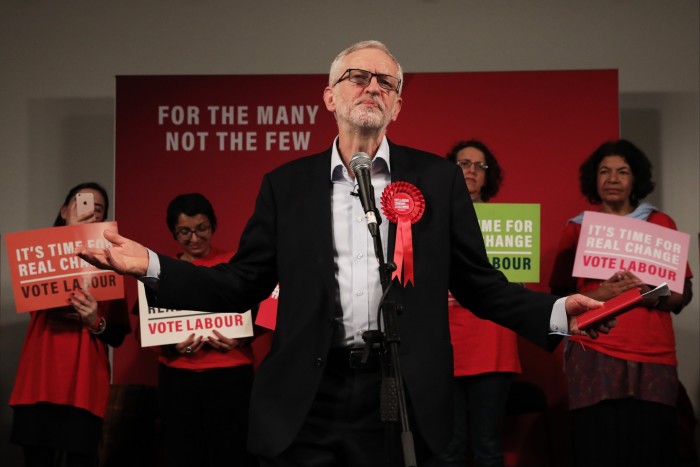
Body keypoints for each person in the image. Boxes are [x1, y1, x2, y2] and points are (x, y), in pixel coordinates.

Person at [78, 41, 613, 467]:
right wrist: (149, 265)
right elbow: (238, 284)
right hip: (308, 397)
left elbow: (478, 283)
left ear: (398, 105)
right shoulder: (285, 186)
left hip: (397, 394)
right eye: (359, 76)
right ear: (330, 96)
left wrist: (556, 311)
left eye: (387, 82)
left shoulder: (438, 179)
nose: (373, 87)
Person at [549, 139, 693, 467]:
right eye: (604, 171)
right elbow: (557, 299)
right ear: (594, 179)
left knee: (650, 446)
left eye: (622, 171)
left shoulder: (661, 223)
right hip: (595, 351)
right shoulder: (576, 228)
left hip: (653, 354)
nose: (613, 178)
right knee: (596, 445)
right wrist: (603, 293)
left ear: (635, 179)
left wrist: (646, 291)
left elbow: (682, 295)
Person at [9, 182, 130, 467]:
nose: (90, 213)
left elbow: (118, 335)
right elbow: (29, 299)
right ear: (64, 211)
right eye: (82, 205)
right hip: (37, 384)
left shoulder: (112, 265)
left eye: (97, 210)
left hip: (85, 388)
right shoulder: (36, 254)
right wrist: (69, 239)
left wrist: (95, 321)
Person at [153, 193, 258, 467]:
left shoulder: (237, 264)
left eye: (202, 229)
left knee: (232, 452)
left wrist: (241, 338)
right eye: (185, 232)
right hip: (178, 377)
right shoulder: (160, 272)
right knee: (183, 453)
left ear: (213, 226)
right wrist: (171, 344)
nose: (195, 238)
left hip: (231, 376)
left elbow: (266, 314)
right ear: (174, 233)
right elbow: (147, 327)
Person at [437, 140, 521, 467]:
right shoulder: (429, 220)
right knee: (449, 448)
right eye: (463, 164)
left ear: (488, 176)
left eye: (479, 166)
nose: (471, 170)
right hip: (447, 343)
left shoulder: (511, 224)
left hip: (492, 343)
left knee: (488, 446)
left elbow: (519, 284)